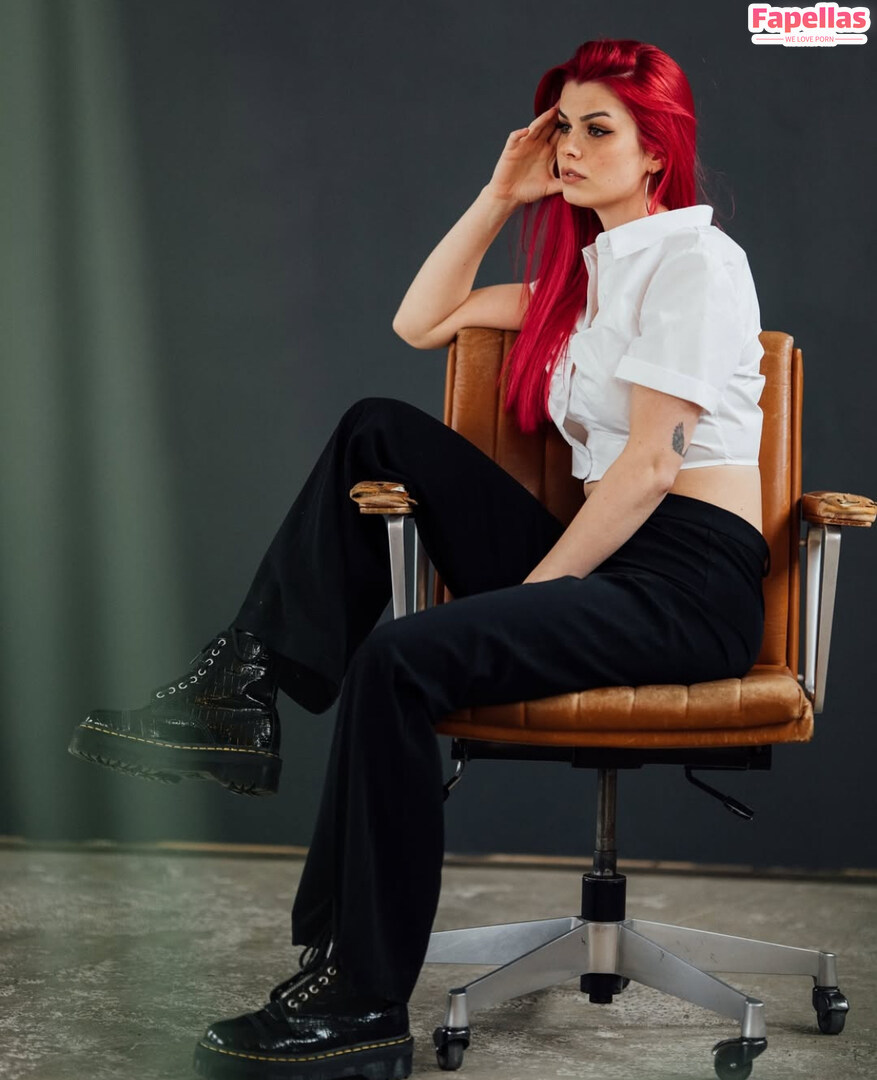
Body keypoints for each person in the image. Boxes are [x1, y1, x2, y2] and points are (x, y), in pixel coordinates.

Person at [67, 36, 771, 1080]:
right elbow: (420, 321)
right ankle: (239, 689)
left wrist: (532, 596)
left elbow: (648, 470)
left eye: (598, 129)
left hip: (683, 583)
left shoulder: (694, 263)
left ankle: (361, 1002)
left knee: (398, 659)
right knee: (376, 426)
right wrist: (499, 193)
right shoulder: (584, 285)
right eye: (561, 128)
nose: (570, 149)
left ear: (656, 151)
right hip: (611, 557)